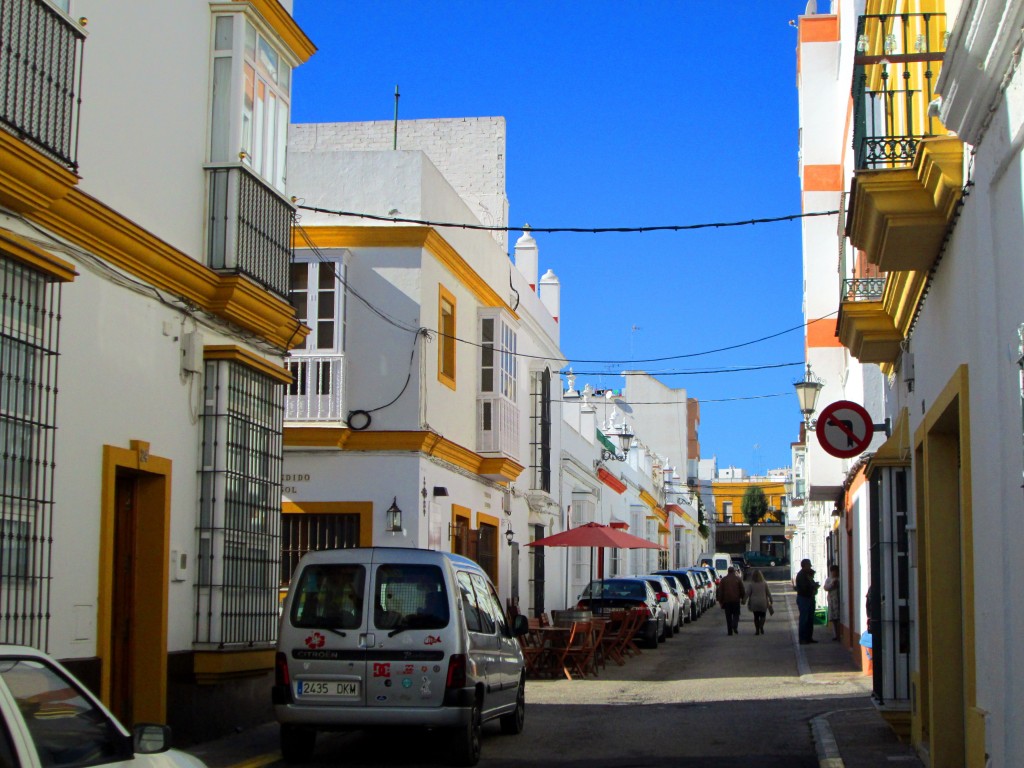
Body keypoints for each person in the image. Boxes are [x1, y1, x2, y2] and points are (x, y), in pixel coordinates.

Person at [794, 558, 820, 644]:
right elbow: (803, 588)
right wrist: (813, 587)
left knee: (810, 619)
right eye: (809, 565)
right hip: (804, 598)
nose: (810, 566)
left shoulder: (808, 574)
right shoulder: (801, 575)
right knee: (804, 619)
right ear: (804, 566)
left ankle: (809, 637)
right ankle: (803, 639)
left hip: (809, 598)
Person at [716, 566, 746, 635]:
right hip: (736, 600)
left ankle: (730, 631)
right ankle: (734, 625)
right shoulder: (738, 579)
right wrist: (743, 597)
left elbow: (720, 591)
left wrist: (720, 600)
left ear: (728, 571)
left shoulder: (723, 580)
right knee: (736, 614)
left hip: (727, 601)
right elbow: (742, 589)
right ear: (734, 571)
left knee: (728, 616)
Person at [746, 569, 773, 635]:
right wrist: (771, 599)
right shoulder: (764, 583)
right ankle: (761, 626)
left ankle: (757, 630)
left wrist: (744, 600)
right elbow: (768, 593)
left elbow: (747, 593)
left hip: (754, 603)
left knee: (756, 617)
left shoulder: (751, 584)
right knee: (763, 616)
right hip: (763, 602)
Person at [823, 565, 841, 641]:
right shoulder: (829, 580)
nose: (834, 573)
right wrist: (832, 584)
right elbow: (825, 587)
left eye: (835, 571)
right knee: (833, 619)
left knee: (838, 618)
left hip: (838, 601)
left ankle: (838, 634)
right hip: (831, 601)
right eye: (832, 571)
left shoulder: (839, 579)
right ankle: (835, 634)